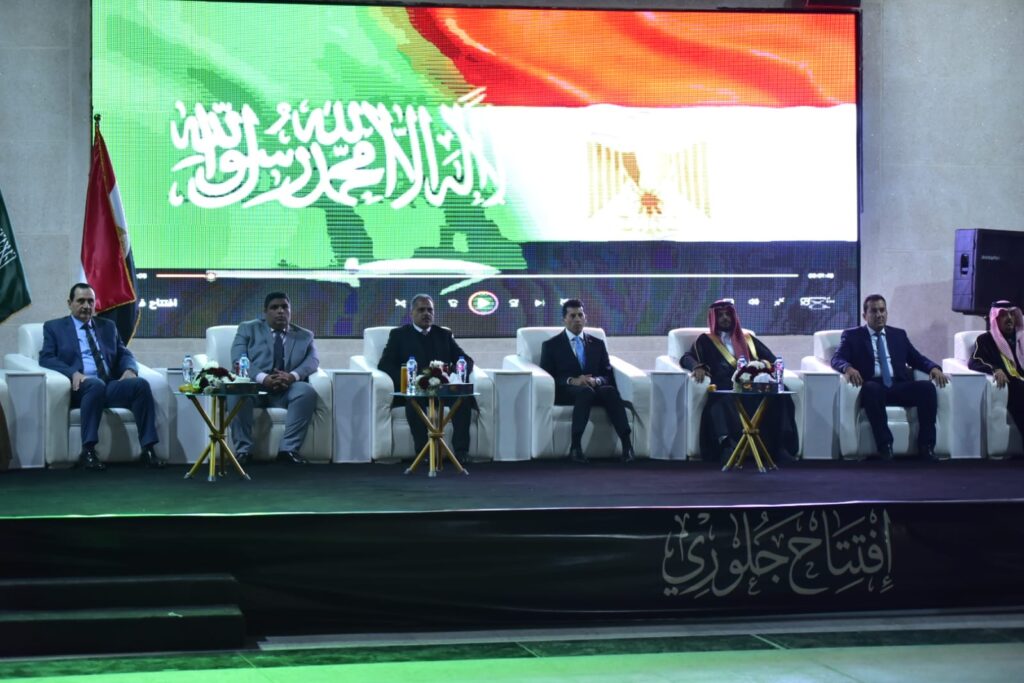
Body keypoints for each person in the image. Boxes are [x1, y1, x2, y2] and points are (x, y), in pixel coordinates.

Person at [38, 283, 161, 470]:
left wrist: (130, 369)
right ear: (70, 303)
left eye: (90, 301)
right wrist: (72, 373)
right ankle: (88, 451)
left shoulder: (107, 327)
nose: (86, 306)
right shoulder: (54, 327)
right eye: (81, 301)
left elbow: (124, 353)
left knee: (140, 385)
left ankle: (148, 449)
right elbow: (46, 357)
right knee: (95, 385)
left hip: (108, 385)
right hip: (80, 387)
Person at [831, 294, 949, 461]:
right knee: (871, 389)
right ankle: (885, 445)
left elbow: (916, 358)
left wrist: (933, 368)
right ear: (865, 315)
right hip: (873, 385)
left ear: (886, 313)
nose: (879, 315)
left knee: (927, 388)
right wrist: (848, 368)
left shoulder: (898, 335)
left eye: (882, 310)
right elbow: (837, 359)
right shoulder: (852, 336)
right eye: (874, 311)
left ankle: (926, 446)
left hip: (898, 385)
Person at [680, 299, 798, 463]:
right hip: (725, 384)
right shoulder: (705, 340)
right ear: (714, 319)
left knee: (781, 392)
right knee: (720, 402)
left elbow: (771, 359)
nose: (725, 318)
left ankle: (780, 447)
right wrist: (697, 367)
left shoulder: (748, 339)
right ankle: (728, 447)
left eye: (728, 314)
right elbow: (686, 357)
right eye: (720, 315)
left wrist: (759, 368)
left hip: (754, 386)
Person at [378, 294, 475, 460]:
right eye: (421, 310)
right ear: (412, 313)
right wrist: (410, 379)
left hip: (442, 390)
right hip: (417, 390)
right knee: (413, 402)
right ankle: (424, 453)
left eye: (430, 310)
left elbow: (466, 360)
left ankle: (461, 452)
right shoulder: (399, 335)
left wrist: (451, 374)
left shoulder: (443, 334)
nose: (426, 314)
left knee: (463, 399)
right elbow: (385, 365)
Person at [229, 292, 320, 465]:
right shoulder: (248, 329)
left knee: (306, 391)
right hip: (254, 386)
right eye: (274, 307)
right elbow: (238, 359)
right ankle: (243, 451)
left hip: (287, 388)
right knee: (237, 392)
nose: (280, 311)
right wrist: (263, 378)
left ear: (290, 310)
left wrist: (292, 376)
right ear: (265, 312)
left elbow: (313, 361)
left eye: (285, 307)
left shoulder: (305, 335)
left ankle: (288, 450)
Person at [539, 298, 635, 463]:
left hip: (594, 388)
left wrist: (597, 380)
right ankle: (575, 447)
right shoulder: (551, 345)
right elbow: (548, 376)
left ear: (585, 318)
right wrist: (572, 380)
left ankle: (627, 446)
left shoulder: (597, 344)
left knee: (610, 391)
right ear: (564, 319)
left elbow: (607, 373)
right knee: (585, 392)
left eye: (580, 315)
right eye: (572, 316)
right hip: (568, 391)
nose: (577, 319)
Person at [968, 300, 1024, 439]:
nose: (1009, 318)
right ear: (995, 319)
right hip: (1013, 385)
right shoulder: (985, 340)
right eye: (1004, 315)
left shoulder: (1021, 338)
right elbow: (975, 361)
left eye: (1012, 314)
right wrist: (995, 369)